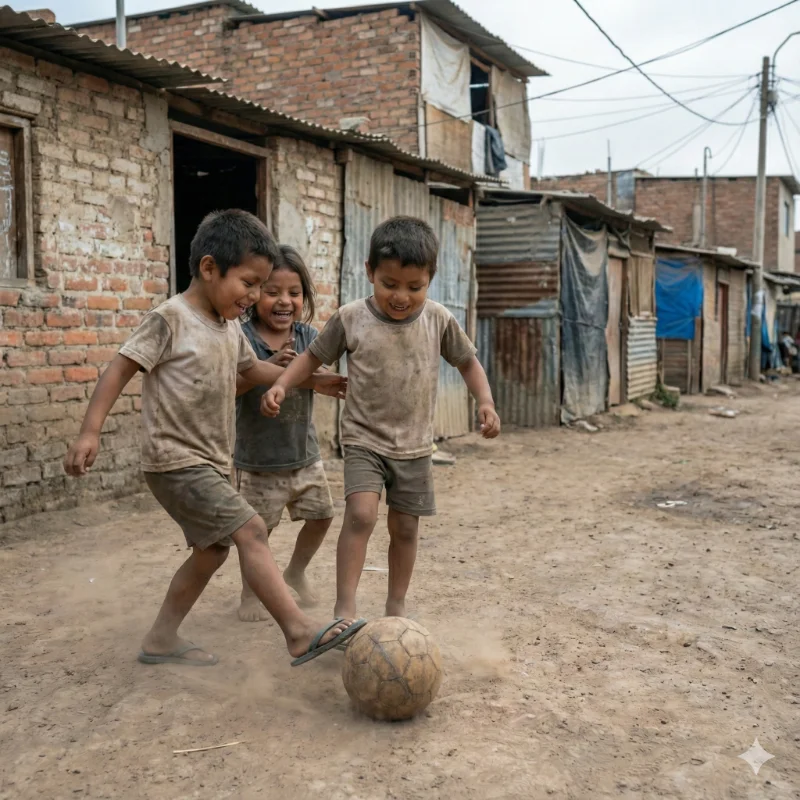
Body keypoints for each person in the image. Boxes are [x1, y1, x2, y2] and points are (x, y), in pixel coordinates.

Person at [63, 209, 365, 668]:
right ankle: (299, 633)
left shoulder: (228, 329)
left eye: (260, 286)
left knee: (213, 551)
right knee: (252, 529)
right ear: (209, 268)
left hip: (207, 461)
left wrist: (311, 380)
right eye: (248, 283)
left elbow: (252, 370)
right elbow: (121, 366)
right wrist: (90, 432)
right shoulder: (172, 318)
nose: (254, 296)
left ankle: (161, 638)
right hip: (174, 458)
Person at [262, 216, 501, 620]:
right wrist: (282, 384)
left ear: (431, 279)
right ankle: (345, 608)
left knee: (405, 529)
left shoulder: (438, 319)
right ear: (370, 271)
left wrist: (486, 401)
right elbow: (312, 357)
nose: (401, 296)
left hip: (415, 446)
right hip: (364, 440)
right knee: (360, 515)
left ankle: (396, 605)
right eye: (389, 284)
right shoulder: (351, 317)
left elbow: (468, 363)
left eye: (415, 287)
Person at [233, 245, 334, 621]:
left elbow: (316, 380)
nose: (284, 301)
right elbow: (231, 387)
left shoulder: (310, 337)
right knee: (256, 535)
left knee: (322, 517)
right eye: (273, 291)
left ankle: (295, 571)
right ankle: (249, 594)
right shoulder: (241, 338)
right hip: (258, 462)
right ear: (255, 292)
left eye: (294, 293)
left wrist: (326, 381)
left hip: (304, 455)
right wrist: (264, 369)